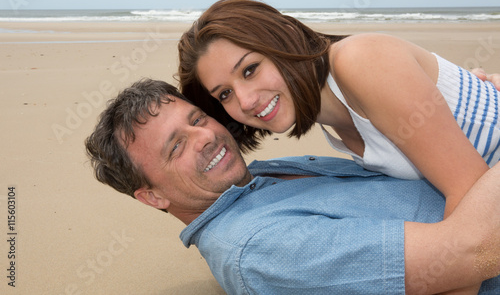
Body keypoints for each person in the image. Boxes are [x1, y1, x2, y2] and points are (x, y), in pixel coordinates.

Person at [85, 79, 500, 295]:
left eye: (196, 120)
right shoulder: (255, 248)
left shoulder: (261, 175)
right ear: (152, 196)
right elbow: (475, 252)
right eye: (176, 147)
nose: (205, 137)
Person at [177, 0, 500, 220]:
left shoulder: (359, 62)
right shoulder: (333, 117)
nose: (245, 101)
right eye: (225, 94)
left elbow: (478, 204)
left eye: (250, 70)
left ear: (285, 37)